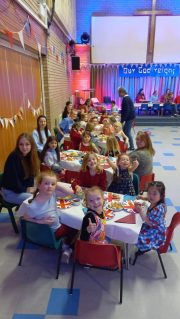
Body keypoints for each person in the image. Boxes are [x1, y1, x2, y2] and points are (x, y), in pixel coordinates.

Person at [17, 171, 78, 262]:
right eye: (46, 183)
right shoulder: (34, 206)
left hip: (50, 228)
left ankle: (65, 245)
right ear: (39, 185)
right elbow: (24, 218)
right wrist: (40, 222)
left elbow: (70, 193)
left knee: (67, 220)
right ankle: (67, 247)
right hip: (53, 231)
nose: (50, 186)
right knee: (76, 227)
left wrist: (55, 184)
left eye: (52, 184)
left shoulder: (52, 194)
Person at [1, 133, 39, 205]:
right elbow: (13, 181)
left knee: (42, 193)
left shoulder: (30, 156)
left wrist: (30, 188)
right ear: (18, 145)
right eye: (21, 144)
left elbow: (31, 176)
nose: (24, 147)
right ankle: (25, 215)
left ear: (31, 145)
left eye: (27, 144)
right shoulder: (14, 157)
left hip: (20, 189)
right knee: (34, 200)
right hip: (10, 192)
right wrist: (26, 190)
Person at [134, 181, 166, 252]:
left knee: (134, 234)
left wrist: (140, 211)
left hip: (155, 232)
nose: (151, 196)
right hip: (152, 225)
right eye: (149, 193)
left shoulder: (159, 209)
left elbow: (149, 222)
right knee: (134, 226)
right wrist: (142, 197)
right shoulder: (155, 201)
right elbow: (149, 198)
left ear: (161, 195)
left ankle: (128, 255)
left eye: (154, 194)